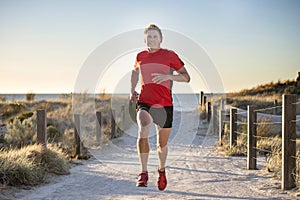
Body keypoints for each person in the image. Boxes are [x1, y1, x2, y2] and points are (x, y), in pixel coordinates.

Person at [130, 24, 190, 191]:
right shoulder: (140, 56)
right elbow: (135, 72)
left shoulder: (170, 55)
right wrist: (131, 90)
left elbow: (186, 77)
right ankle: (143, 172)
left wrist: (167, 76)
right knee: (143, 127)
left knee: (161, 145)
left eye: (155, 36)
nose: (152, 39)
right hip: (145, 102)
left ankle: (161, 170)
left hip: (164, 104)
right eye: (149, 37)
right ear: (144, 39)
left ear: (161, 39)